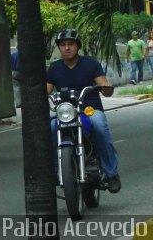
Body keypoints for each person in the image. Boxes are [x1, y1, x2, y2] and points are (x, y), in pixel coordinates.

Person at [46, 28, 121, 193]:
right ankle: (55, 170)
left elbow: (103, 83)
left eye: (70, 44)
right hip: (65, 112)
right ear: (59, 47)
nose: (67, 48)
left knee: (100, 127)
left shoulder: (90, 63)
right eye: (63, 44)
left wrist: (106, 87)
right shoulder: (54, 68)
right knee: (50, 128)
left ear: (77, 46)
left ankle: (112, 173)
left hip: (89, 110)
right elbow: (46, 90)